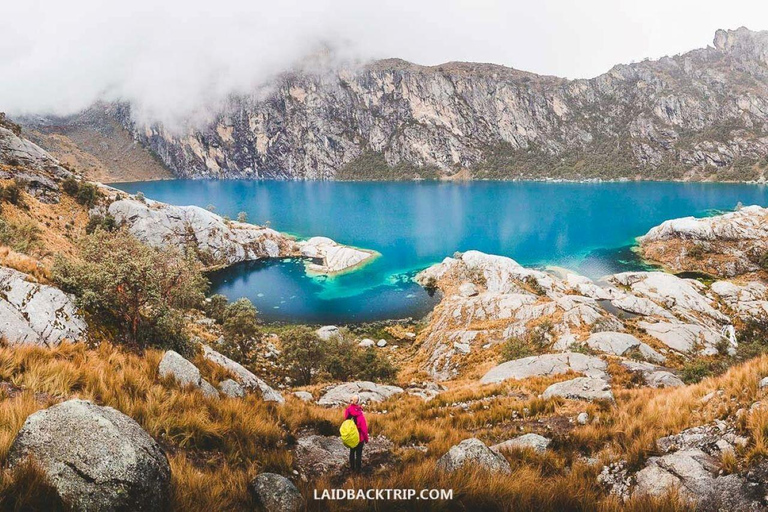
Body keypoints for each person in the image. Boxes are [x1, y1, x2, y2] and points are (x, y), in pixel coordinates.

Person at [344, 395, 368, 471]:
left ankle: (352, 468)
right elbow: (364, 428)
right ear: (357, 402)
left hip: (351, 436)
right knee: (358, 454)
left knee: (352, 452)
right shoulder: (360, 414)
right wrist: (366, 439)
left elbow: (346, 421)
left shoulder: (347, 411)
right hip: (359, 438)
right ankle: (358, 470)